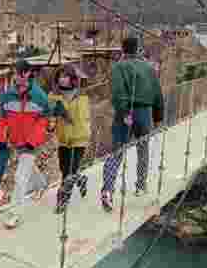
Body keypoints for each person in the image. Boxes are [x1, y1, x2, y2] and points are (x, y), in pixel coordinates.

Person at [100, 35, 165, 211]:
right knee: (143, 148)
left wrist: (124, 112)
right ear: (138, 49)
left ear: (123, 49)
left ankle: (107, 189)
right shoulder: (149, 68)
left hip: (126, 113)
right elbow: (158, 94)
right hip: (145, 112)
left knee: (117, 151)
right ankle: (140, 185)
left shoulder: (118, 67)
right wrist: (159, 117)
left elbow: (118, 92)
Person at [0, 62, 54, 229]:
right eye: (16, 73)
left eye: (22, 73)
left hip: (31, 143)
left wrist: (33, 140)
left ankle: (15, 214)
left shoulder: (39, 96)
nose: (19, 76)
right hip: (16, 140)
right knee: (27, 168)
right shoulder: (7, 96)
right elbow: (3, 120)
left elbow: (45, 120)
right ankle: (41, 184)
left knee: (20, 177)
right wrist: (1, 139)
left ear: (29, 73)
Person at [47, 65, 90, 213]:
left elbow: (80, 119)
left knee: (68, 173)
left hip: (79, 138)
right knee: (64, 169)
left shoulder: (82, 96)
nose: (61, 78)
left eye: (65, 76)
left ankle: (62, 201)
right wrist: (51, 124)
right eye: (60, 76)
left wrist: (65, 113)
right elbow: (50, 119)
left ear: (72, 79)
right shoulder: (53, 96)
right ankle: (81, 179)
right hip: (63, 138)